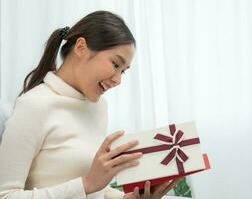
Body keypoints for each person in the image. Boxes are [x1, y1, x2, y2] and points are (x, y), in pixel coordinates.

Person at [0, 10, 180, 199]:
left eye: (124, 71)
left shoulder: (98, 108)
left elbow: (96, 189)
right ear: (80, 47)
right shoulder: (33, 106)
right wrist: (86, 184)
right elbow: (5, 195)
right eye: (115, 64)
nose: (118, 80)